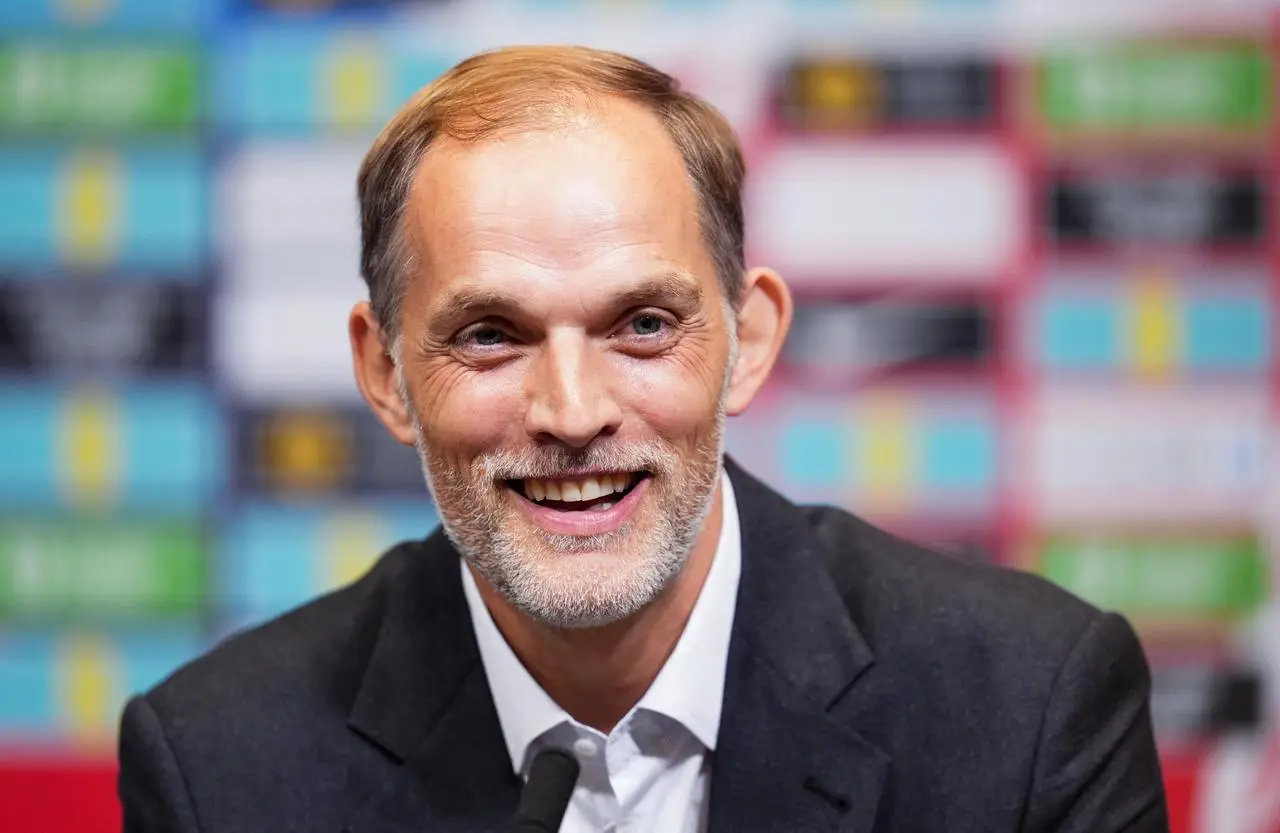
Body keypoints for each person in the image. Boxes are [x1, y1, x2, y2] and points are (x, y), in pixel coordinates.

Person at [118, 45, 1169, 832]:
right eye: (489, 335)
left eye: (643, 325)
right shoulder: (221, 768)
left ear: (746, 342)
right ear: (386, 373)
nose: (572, 411)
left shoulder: (1029, 706)